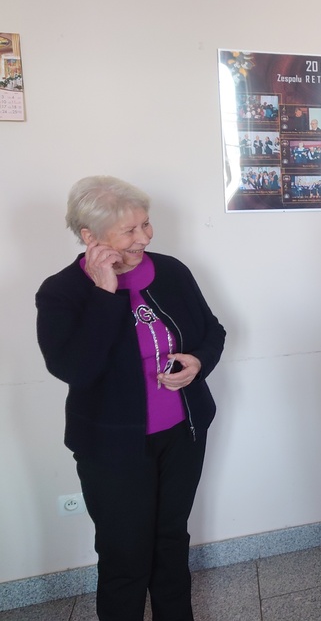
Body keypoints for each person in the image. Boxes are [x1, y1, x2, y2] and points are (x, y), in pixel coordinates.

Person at [36, 176, 226, 621]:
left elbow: (212, 331)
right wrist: (105, 294)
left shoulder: (172, 271)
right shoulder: (61, 292)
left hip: (182, 433)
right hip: (112, 448)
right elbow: (76, 370)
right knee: (125, 556)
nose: (144, 237)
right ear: (91, 237)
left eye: (146, 224)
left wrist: (198, 361)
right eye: (130, 230)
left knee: (171, 542)